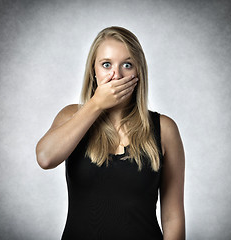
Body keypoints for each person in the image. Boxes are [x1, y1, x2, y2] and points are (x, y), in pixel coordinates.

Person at [35, 26, 185, 240]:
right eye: (106, 65)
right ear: (93, 71)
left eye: (127, 64)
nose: (116, 75)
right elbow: (45, 158)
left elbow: (173, 216)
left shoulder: (164, 128)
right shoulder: (71, 116)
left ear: (139, 72)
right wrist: (96, 104)